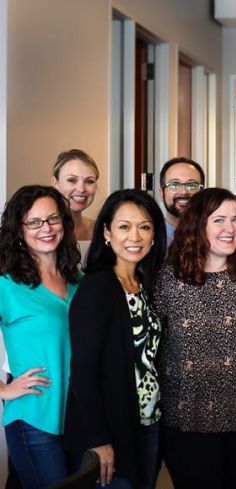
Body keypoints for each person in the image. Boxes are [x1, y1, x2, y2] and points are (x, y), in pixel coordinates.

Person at [153, 188, 236, 489]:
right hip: (184, 419)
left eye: (235, 219)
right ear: (198, 225)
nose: (230, 228)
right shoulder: (168, 279)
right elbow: (154, 349)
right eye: (219, 220)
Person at [64, 190, 167, 489]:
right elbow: (83, 371)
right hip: (111, 431)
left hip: (147, 423)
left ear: (154, 235)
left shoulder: (144, 283)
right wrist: (99, 439)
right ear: (107, 233)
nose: (135, 236)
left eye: (145, 227)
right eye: (124, 226)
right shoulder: (98, 287)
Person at [0, 185, 82, 489]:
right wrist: (4, 389)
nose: (46, 228)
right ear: (19, 230)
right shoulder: (7, 284)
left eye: (53, 218)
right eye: (34, 222)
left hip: (77, 418)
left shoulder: (79, 280)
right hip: (33, 418)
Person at [51, 149, 100, 256]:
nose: (81, 189)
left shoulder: (100, 229)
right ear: (55, 183)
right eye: (72, 180)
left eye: (89, 181)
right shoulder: (43, 231)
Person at [158, 157, 205, 245]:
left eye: (192, 185)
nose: (184, 192)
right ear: (162, 193)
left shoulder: (215, 238)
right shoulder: (151, 239)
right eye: (174, 185)